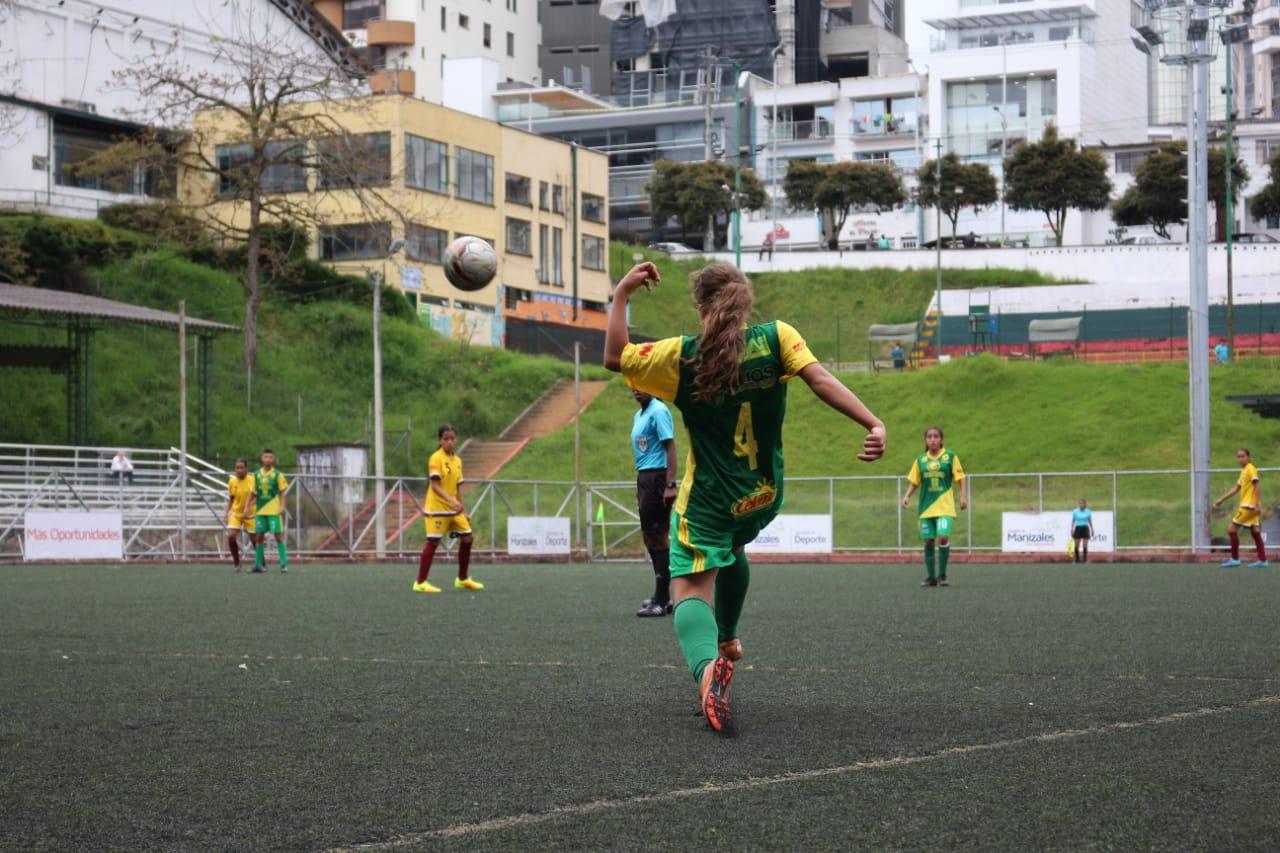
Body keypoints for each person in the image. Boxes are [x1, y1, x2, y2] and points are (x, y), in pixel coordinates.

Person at [604, 260, 886, 737]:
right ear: (745, 300)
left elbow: (616, 357)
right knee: (732, 549)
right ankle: (730, 639)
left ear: (700, 307)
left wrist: (620, 296)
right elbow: (820, 379)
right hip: (763, 493)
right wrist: (873, 423)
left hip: (711, 498)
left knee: (688, 589)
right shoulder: (777, 338)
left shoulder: (681, 356)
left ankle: (710, 669)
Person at [414, 424, 484, 593]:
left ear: (456, 439)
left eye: (452, 438)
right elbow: (435, 486)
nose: (450, 442)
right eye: (446, 439)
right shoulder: (435, 458)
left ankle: (462, 579)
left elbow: (457, 489)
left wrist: (464, 511)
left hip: (454, 509)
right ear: (440, 440)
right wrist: (451, 501)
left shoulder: (457, 460)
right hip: (437, 508)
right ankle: (420, 582)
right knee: (433, 542)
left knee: (468, 538)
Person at [630, 388, 678, 617]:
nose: (636, 389)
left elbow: (670, 448)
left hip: (658, 477)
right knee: (650, 537)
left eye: (641, 384)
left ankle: (661, 600)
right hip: (645, 477)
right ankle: (663, 596)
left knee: (659, 538)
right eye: (632, 384)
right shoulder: (639, 415)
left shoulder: (659, 411)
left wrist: (669, 485)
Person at [901, 426, 967, 587]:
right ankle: (931, 577)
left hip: (945, 507)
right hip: (926, 508)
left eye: (936, 436)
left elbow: (961, 477)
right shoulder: (921, 460)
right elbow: (914, 481)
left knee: (943, 537)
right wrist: (907, 495)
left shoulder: (950, 456)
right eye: (929, 437)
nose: (932, 439)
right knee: (928, 541)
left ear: (941, 439)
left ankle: (942, 575)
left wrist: (963, 496)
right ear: (925, 440)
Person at [1214, 447, 1268, 568]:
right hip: (1249, 506)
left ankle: (1235, 559)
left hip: (1248, 506)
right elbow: (1236, 488)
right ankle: (1263, 560)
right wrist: (1221, 500)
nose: (1240, 459)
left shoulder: (1251, 469)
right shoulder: (1244, 471)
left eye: (1243, 456)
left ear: (1248, 457)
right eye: (1238, 457)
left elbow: (1257, 485)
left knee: (1231, 530)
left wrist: (1257, 504)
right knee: (1255, 532)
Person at [250, 448, 288, 573]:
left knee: (278, 536)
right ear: (262, 458)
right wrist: (247, 507)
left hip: (274, 511)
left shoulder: (277, 475)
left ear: (273, 459)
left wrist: (282, 506)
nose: (268, 459)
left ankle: (283, 564)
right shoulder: (255, 475)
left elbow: (282, 492)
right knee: (258, 537)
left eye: (270, 457)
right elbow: (252, 493)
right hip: (260, 511)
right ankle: (258, 565)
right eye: (266, 457)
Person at [1070, 498, 1094, 563]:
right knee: (1077, 544)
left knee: (1085, 545)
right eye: (1080, 503)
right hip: (1078, 528)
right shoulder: (1075, 511)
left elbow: (1089, 521)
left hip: (1085, 528)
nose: (1081, 505)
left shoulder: (1088, 511)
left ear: (1085, 505)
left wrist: (1092, 529)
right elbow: (1073, 520)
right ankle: (1076, 559)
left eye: (1082, 503)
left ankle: (1085, 559)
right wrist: (1072, 529)